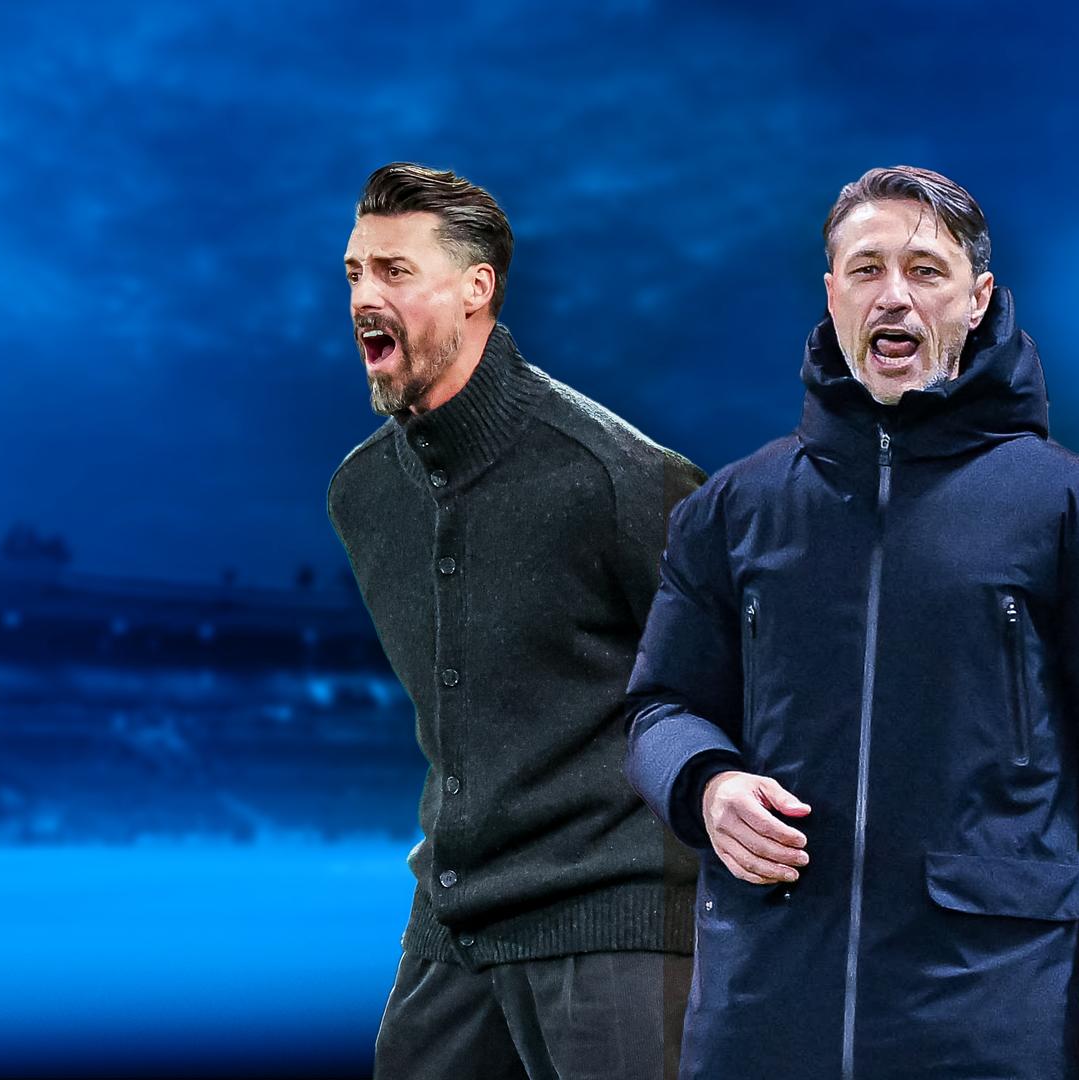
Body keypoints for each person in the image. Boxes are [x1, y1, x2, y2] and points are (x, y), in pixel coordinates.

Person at [623, 165, 1079, 1080]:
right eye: (866, 269)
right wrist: (704, 784)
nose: (894, 296)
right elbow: (659, 706)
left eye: (926, 271)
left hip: (991, 1004)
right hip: (765, 1000)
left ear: (977, 300)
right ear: (831, 294)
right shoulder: (732, 509)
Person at [327, 162, 706, 1080]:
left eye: (394, 271)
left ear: (476, 291)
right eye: (353, 273)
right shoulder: (362, 495)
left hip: (613, 921)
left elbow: (733, 690)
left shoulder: (622, 477)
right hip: (453, 926)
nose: (364, 296)